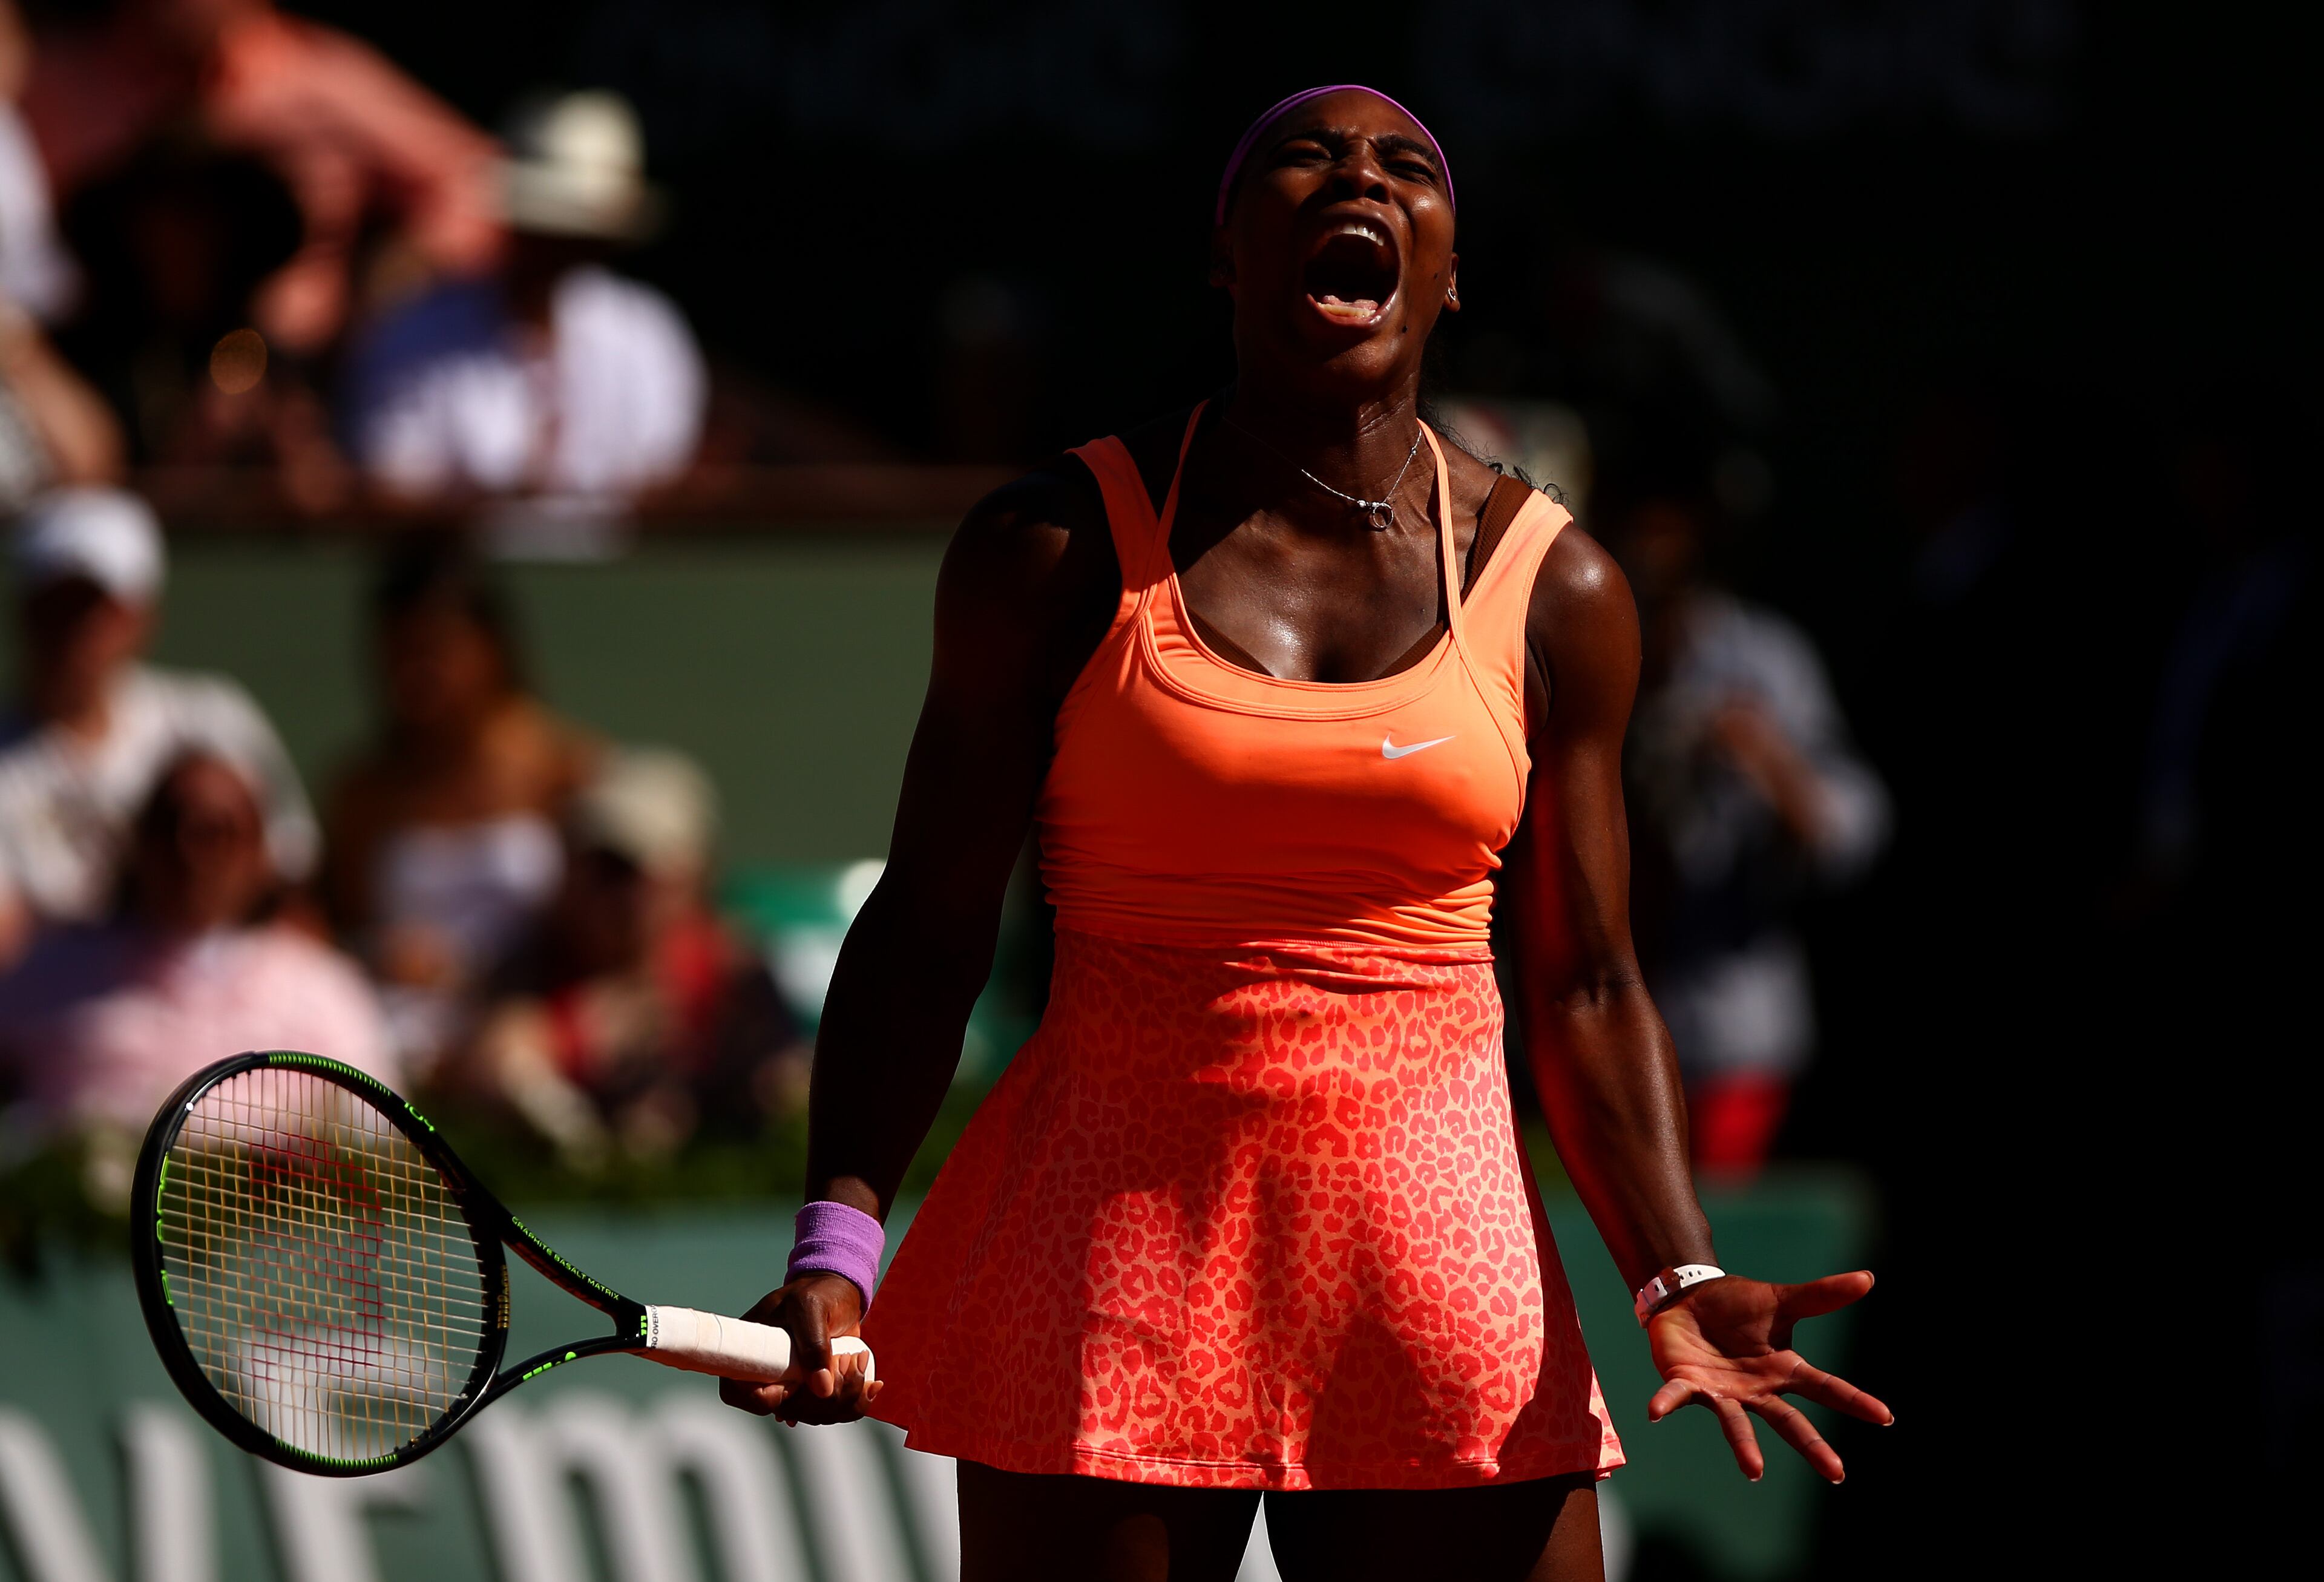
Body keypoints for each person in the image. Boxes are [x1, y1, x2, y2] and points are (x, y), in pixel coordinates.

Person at [719, 87, 1890, 1581]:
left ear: (1447, 271)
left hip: (1435, 1269)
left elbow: (1586, 980)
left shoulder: (1560, 590)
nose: (1359, 173)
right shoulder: (1051, 549)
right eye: (1306, 154)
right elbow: (929, 925)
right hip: (1112, 1254)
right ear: (1226, 255)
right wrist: (835, 1248)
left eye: (1407, 165)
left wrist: (1678, 1259)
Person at [1616, 487, 1889, 1178]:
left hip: (1727, 1017)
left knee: (1717, 1234)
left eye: (1668, 534)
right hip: (1597, 1012)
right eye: (1637, 534)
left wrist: (1764, 756)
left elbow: (1847, 826)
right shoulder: (1584, 630)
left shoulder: (1761, 658)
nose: (1652, 554)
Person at [0, 749, 393, 1203]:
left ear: (261, 854)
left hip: (271, 1249)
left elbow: (376, 1138)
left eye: (219, 833)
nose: (192, 853)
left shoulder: (326, 987)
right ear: (139, 843)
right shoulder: (49, 968)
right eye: (171, 828)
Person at [22, 0, 502, 359]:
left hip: (290, 367)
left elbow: (480, 180)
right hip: (98, 357)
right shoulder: (57, 77)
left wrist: (398, 271)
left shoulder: (316, 78)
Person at [343, 90, 706, 510]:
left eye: (576, 236)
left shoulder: (647, 335)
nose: (555, 250)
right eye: (544, 228)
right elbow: (391, 488)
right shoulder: (415, 333)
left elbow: (661, 487)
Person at [0, 487, 315, 966]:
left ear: (141, 616)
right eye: (58, 603)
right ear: (26, 611)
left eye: (97, 606)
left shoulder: (211, 717)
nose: (78, 630)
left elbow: (289, 885)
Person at [322, 539, 594, 1069]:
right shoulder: (360, 789)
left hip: (527, 1026)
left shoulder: (563, 769)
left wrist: (485, 977)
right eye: (398, 653)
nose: (416, 675)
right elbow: (338, 930)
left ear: (489, 647)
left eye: (436, 650)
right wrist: (382, 955)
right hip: (395, 1036)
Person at [465, 747, 809, 1167]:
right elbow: (493, 1063)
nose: (615, 895)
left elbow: (792, 1087)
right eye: (591, 865)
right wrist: (574, 1043)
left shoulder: (734, 972)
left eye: (624, 869)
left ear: (690, 876)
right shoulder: (528, 964)